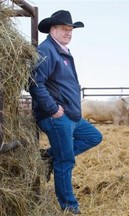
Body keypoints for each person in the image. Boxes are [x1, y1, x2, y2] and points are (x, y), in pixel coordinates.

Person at [29, 10, 103, 214]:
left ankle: (49, 156)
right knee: (66, 161)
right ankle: (69, 206)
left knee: (94, 136)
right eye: (64, 29)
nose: (68, 33)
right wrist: (53, 109)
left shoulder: (62, 51)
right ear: (53, 30)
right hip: (57, 117)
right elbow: (35, 84)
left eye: (70, 30)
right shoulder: (47, 50)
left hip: (71, 116)